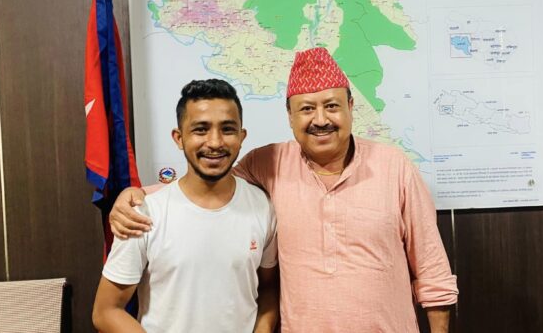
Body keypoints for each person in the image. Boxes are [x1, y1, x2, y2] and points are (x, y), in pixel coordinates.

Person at [110, 48, 458, 332]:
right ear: (290, 116)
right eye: (306, 109)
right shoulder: (268, 163)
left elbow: (433, 271)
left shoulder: (395, 167)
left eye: (332, 106)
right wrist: (137, 195)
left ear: (351, 107)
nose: (320, 119)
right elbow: (208, 181)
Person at [92, 79, 279, 333]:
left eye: (227, 129)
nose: (215, 142)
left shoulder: (262, 206)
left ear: (241, 136)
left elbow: (268, 288)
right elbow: (106, 311)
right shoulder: (143, 213)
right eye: (201, 130)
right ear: (179, 138)